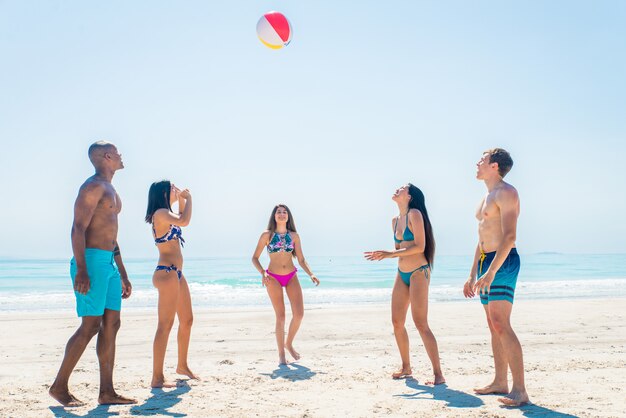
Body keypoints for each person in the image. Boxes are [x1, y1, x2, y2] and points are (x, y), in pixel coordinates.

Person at [49, 141, 136, 407]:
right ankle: (59, 386)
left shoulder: (111, 189)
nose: (121, 154)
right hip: (91, 261)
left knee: (112, 323)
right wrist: (82, 268)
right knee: (90, 326)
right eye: (117, 151)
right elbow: (77, 228)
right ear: (107, 156)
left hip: (107, 263)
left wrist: (122, 271)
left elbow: (112, 235)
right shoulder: (93, 186)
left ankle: (106, 392)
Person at [463, 148, 529, 406]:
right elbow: (481, 239)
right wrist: (472, 274)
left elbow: (509, 236)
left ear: (494, 165)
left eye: (482, 159)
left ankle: (520, 390)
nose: (477, 162)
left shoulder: (507, 193)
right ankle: (500, 381)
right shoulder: (485, 198)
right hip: (486, 262)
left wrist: (491, 272)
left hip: (503, 260)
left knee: (501, 322)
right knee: (493, 324)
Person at [365, 183, 445, 385]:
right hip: (402, 273)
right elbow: (401, 250)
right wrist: (391, 255)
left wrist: (389, 254)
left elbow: (419, 247)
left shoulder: (415, 214)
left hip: (419, 272)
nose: (397, 190)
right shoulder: (395, 221)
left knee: (421, 323)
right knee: (397, 322)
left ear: (409, 196)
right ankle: (406, 367)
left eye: (402, 188)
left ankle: (438, 374)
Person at [145, 180, 198, 388]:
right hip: (166, 273)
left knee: (187, 320)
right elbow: (184, 221)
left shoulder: (167, 214)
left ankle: (182, 365)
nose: (176, 189)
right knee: (165, 325)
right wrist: (190, 199)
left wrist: (183, 201)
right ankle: (156, 377)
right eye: (173, 187)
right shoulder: (159, 213)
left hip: (176, 273)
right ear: (164, 193)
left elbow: (180, 218)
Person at [252, 204, 320, 365]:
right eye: (278, 212)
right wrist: (263, 272)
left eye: (284, 212)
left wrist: (311, 273)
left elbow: (301, 259)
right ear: (274, 216)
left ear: (288, 216)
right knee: (281, 316)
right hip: (273, 278)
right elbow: (254, 257)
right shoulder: (266, 235)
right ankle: (281, 355)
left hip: (291, 276)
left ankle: (288, 343)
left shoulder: (294, 236)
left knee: (299, 314)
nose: (282, 214)